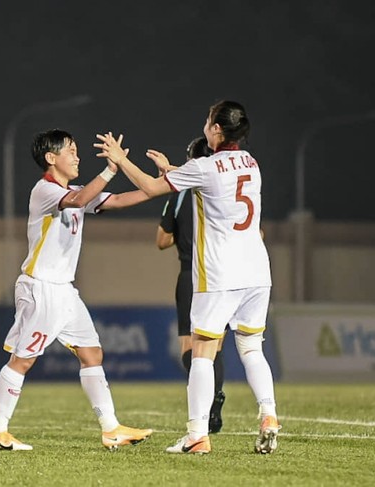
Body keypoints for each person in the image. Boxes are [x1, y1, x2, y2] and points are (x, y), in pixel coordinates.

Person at [95, 100, 280, 455]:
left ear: (216, 130)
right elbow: (218, 180)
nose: (205, 125)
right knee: (252, 348)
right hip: (257, 271)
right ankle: (269, 415)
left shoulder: (205, 167)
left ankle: (197, 434)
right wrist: (174, 170)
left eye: (208, 120)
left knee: (202, 353)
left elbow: (150, 188)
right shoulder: (252, 164)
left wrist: (120, 160)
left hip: (220, 273)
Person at [0, 129, 153, 452]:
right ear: (51, 158)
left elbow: (116, 200)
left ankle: (111, 428)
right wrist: (110, 170)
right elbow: (77, 200)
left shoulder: (76, 191)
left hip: (64, 291)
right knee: (23, 360)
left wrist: (157, 185)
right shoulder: (45, 191)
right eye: (71, 151)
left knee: (92, 354)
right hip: (41, 288)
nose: (77, 156)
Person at [157, 136, 227, 434]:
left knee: (190, 344)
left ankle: (204, 408)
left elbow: (162, 241)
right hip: (222, 274)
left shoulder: (180, 193)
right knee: (216, 345)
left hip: (191, 273)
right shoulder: (223, 191)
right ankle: (218, 398)